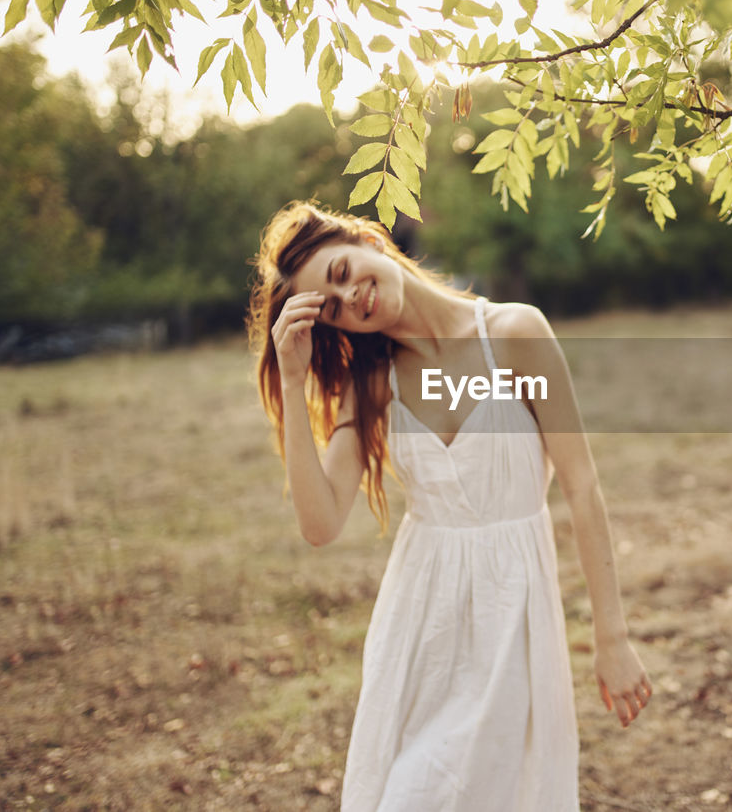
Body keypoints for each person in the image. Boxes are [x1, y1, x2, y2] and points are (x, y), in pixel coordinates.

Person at [247, 201, 652, 811]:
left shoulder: (516, 336)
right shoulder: (373, 383)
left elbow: (582, 487)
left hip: (513, 610)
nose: (352, 295)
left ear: (367, 242)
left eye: (342, 272)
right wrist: (295, 378)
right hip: (423, 627)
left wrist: (611, 636)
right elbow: (321, 523)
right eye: (331, 308)